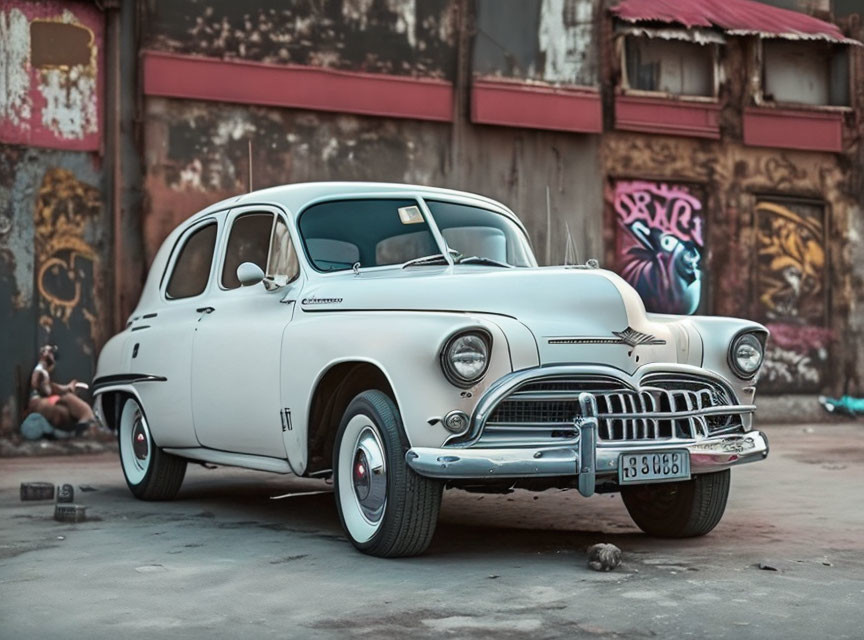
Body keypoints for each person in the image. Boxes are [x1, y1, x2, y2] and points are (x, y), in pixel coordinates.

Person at [28, 345, 98, 435]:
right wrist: (65, 389)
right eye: (50, 353)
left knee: (66, 406)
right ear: (44, 354)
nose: (52, 356)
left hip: (43, 403)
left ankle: (85, 421)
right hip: (39, 403)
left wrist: (67, 388)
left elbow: (50, 387)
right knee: (68, 399)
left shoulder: (44, 371)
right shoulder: (40, 370)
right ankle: (86, 418)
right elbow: (46, 389)